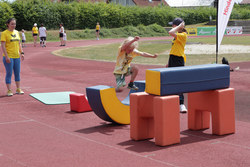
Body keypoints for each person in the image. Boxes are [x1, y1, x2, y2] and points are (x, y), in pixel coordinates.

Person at [167, 18, 188, 113]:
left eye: (174, 25)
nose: (172, 26)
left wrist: (179, 27)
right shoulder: (177, 36)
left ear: (179, 26)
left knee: (179, 81)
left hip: (178, 59)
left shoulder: (183, 35)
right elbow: (174, 49)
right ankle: (172, 102)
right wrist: (169, 62)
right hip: (173, 59)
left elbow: (170, 32)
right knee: (171, 81)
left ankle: (181, 104)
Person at [1, 18, 25, 96]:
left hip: (16, 56)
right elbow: (3, 46)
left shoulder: (17, 32)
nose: (13, 25)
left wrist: (22, 52)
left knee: (17, 73)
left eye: (14, 24)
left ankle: (18, 89)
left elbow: (19, 44)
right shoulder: (4, 33)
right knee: (9, 73)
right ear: (8, 24)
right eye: (12, 24)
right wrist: (7, 56)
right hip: (8, 57)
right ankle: (9, 90)